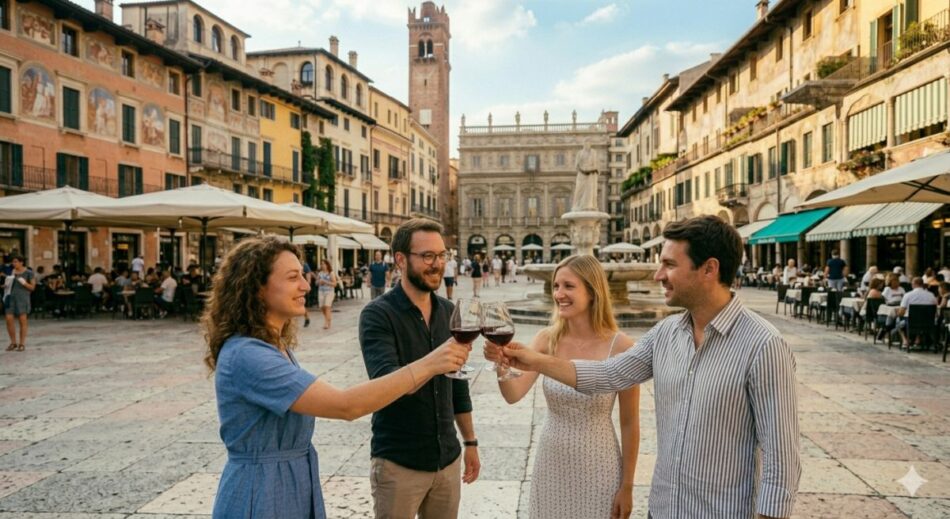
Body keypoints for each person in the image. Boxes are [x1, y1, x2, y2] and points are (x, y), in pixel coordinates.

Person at [500, 216, 801, 519]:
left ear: (709, 269)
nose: (658, 275)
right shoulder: (665, 333)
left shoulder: (763, 345)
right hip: (663, 510)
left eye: (669, 265)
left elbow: (782, 457)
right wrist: (533, 359)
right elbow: (607, 375)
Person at [204, 236, 469, 519]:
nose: (306, 285)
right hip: (261, 491)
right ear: (256, 287)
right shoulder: (248, 355)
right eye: (293, 278)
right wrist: (430, 364)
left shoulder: (275, 347)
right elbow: (345, 406)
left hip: (291, 481)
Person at [484, 255, 640, 519]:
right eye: (556, 286)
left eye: (568, 286)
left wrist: (627, 486)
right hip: (551, 460)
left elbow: (630, 422)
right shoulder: (546, 339)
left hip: (599, 465)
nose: (559, 294)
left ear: (592, 291)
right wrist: (501, 364)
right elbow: (514, 394)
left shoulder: (622, 347)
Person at [359, 219, 480, 519]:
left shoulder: (449, 312)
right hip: (399, 463)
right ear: (400, 259)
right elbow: (386, 383)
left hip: (447, 460)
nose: (437, 264)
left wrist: (470, 442)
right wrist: (434, 361)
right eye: (427, 256)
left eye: (441, 256)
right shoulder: (377, 315)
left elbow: (458, 386)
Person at [896, 277, 938, 349]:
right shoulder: (931, 295)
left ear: (914, 284)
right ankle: (917, 340)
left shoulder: (908, 295)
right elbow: (935, 310)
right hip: (928, 323)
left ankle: (905, 340)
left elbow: (901, 312)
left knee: (898, 321)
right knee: (920, 318)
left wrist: (898, 313)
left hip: (911, 322)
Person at [4, 255, 35, 352]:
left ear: (21, 262)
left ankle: (22, 343)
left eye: (16, 262)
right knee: (9, 319)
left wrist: (24, 283)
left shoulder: (29, 272)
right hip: (10, 297)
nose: (14, 264)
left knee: (22, 321)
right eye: (13, 262)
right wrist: (5, 285)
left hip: (22, 298)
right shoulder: (11, 272)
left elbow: (32, 287)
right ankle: (13, 342)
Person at [316, 260, 336, 330]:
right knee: (322, 307)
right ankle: (328, 319)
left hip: (329, 292)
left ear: (327, 265)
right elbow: (316, 282)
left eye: (324, 264)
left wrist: (325, 282)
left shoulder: (331, 273)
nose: (322, 265)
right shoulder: (320, 273)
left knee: (327, 306)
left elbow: (334, 284)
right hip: (321, 292)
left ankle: (326, 323)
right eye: (321, 264)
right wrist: (319, 282)